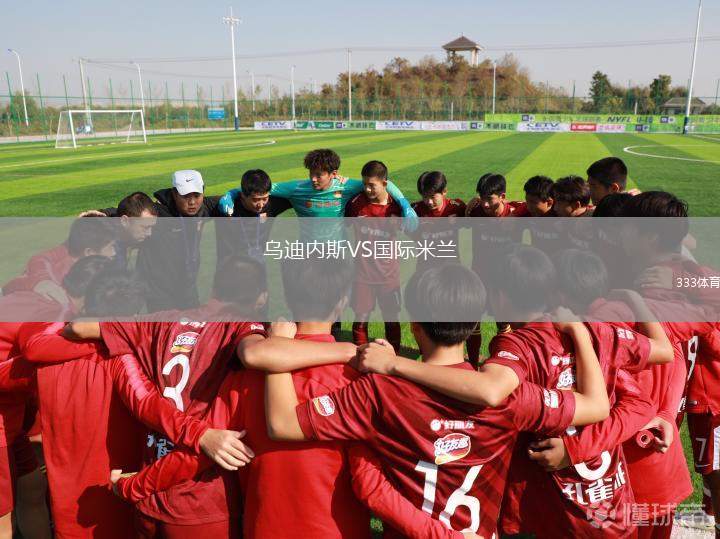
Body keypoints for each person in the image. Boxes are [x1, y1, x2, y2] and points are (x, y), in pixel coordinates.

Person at [113, 257, 466, 539]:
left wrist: (135, 485)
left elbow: (201, 451)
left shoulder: (244, 378)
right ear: (342, 303)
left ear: (288, 299)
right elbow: (374, 481)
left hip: (264, 527)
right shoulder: (363, 380)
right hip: (339, 529)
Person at [263, 263, 612, 538]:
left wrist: (276, 351)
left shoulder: (378, 392)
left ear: (414, 325)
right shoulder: (512, 399)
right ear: (474, 326)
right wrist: (579, 333)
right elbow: (597, 406)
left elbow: (282, 424)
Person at [65, 255, 268, 538]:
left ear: (213, 289)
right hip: (199, 502)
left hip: (150, 496)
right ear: (261, 299)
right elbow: (256, 353)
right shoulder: (242, 331)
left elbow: (77, 328)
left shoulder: (162, 319)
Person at [135, 170, 223, 311]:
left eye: (197, 195)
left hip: (189, 290)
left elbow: (241, 197)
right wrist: (105, 213)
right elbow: (127, 212)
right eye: (185, 196)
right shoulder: (158, 212)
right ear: (174, 194)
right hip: (160, 294)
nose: (192, 202)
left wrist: (232, 195)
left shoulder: (204, 207)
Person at [465, 173, 525, 367]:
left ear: (502, 196)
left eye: (490, 199)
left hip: (504, 281)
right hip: (479, 278)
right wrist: (468, 207)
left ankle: (504, 365)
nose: (485, 204)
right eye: (481, 198)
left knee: (504, 324)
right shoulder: (475, 211)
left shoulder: (517, 213)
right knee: (473, 324)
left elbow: (541, 206)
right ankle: (472, 365)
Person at [344, 160, 403, 353]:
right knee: (361, 319)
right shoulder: (356, 204)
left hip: (388, 274)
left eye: (372, 185)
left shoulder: (397, 207)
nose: (367, 189)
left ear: (385, 184)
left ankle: (393, 357)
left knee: (391, 319)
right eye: (365, 184)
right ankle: (359, 357)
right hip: (362, 274)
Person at [1, 218, 117, 303]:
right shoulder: (60, 282)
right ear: (89, 252)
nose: (114, 253)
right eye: (111, 247)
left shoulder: (71, 257)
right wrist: (42, 281)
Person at [214, 169, 290, 265]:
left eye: (265, 199)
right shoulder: (226, 205)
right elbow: (201, 204)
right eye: (255, 200)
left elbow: (297, 196)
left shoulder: (272, 204)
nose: (261, 205)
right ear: (243, 195)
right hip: (230, 267)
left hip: (258, 267)